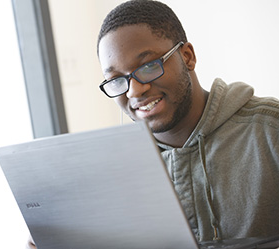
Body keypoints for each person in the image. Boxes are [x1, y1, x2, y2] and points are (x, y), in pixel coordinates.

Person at [27, 0, 279, 247]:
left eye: (148, 66)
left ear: (187, 56)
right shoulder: (116, 170)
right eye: (116, 79)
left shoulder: (270, 130)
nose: (135, 91)